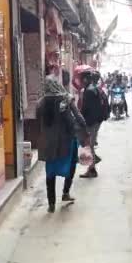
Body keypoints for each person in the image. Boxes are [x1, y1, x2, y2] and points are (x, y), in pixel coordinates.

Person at [37, 74, 88, 213]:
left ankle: (51, 204)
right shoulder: (67, 99)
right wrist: (85, 131)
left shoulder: (40, 103)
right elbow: (79, 118)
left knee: (50, 172)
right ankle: (65, 192)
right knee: (71, 166)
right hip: (67, 141)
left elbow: (38, 124)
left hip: (49, 144)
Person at [80, 71, 104, 178]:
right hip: (96, 121)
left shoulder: (89, 91)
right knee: (89, 144)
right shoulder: (93, 88)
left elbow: (86, 109)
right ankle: (93, 163)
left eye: (82, 79)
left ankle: (92, 169)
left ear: (85, 79)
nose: (81, 81)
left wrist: (83, 123)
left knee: (89, 145)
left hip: (91, 122)